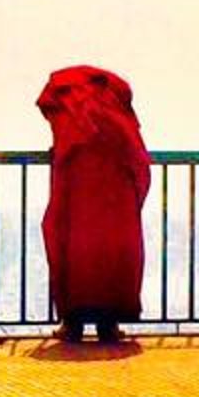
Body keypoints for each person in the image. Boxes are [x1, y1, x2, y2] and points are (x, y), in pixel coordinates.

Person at [38, 65, 151, 343]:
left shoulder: (68, 103)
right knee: (112, 256)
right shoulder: (116, 116)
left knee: (71, 252)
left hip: (74, 192)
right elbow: (138, 162)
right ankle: (108, 324)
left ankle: (72, 323)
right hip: (116, 198)